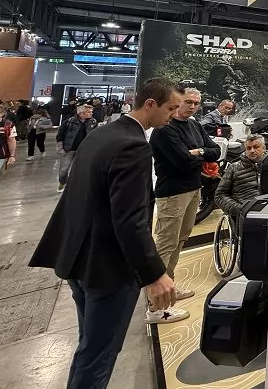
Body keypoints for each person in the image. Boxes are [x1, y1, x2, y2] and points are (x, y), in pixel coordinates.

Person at [29, 78, 182, 389]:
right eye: (170, 108)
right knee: (99, 355)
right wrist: (155, 273)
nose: (173, 115)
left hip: (78, 259)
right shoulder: (134, 146)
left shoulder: (103, 133)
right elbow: (130, 219)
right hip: (108, 268)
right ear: (149, 104)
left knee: (90, 348)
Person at [148, 88, 220, 322]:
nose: (192, 106)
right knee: (166, 243)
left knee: (180, 239)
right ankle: (155, 306)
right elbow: (182, 160)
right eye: (188, 102)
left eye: (196, 103)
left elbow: (215, 151)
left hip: (193, 189)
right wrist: (199, 155)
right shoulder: (164, 129)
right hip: (172, 193)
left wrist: (197, 152)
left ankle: (168, 286)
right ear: (178, 101)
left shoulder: (194, 125)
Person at [215, 134, 266, 217]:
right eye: (248, 148)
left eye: (256, 147)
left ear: (264, 148)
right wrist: (239, 209)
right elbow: (219, 196)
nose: (252, 151)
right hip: (243, 214)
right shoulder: (234, 168)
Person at [56, 104, 98, 192]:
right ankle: (62, 183)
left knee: (82, 170)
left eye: (91, 112)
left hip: (84, 151)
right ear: (81, 113)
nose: (91, 114)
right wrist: (60, 149)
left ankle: (78, 186)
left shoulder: (93, 122)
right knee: (63, 170)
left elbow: (95, 136)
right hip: (69, 149)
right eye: (89, 112)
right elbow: (60, 136)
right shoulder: (69, 122)